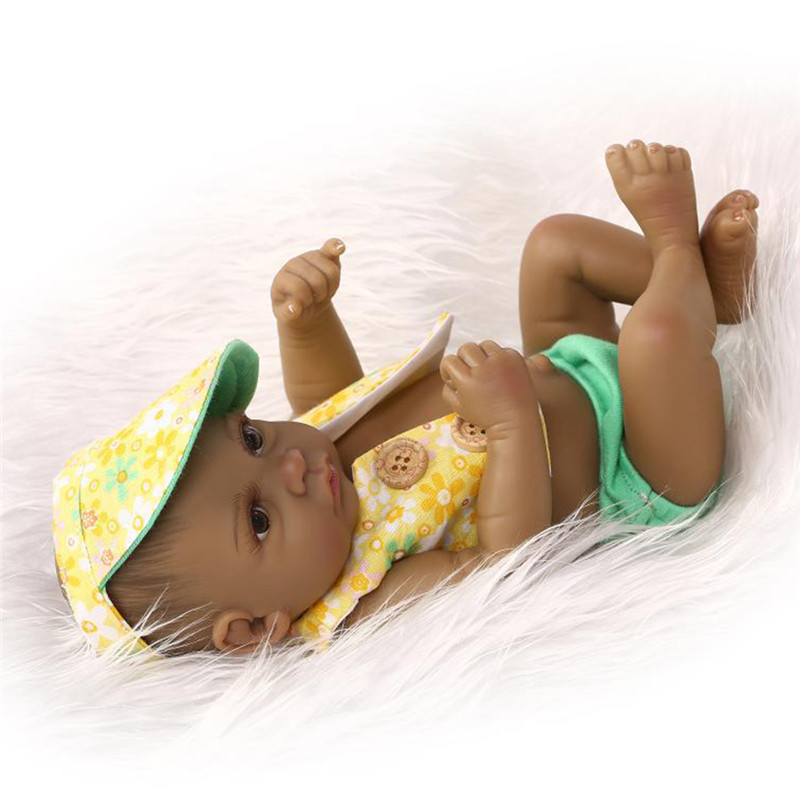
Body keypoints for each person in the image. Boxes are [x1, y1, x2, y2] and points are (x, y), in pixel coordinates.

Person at [53, 140, 758, 659]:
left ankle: (708, 290)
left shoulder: (314, 468)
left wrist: (307, 323)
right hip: (638, 467)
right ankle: (675, 249)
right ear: (254, 629)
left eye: (251, 439)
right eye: (260, 519)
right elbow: (507, 567)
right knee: (655, 338)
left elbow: (334, 397)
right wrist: (510, 423)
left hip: (567, 364)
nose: (290, 465)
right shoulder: (369, 596)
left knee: (553, 246)